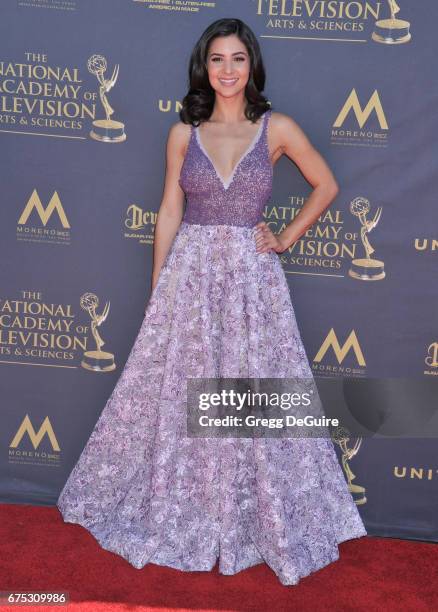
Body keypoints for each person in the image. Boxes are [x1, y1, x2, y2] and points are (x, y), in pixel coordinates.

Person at [57, 17, 367, 587]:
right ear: (205, 67)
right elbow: (169, 210)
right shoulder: (183, 133)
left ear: (253, 66)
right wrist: (159, 288)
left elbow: (325, 184)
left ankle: (256, 517)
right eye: (218, 59)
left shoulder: (278, 128)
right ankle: (193, 509)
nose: (228, 70)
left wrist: (285, 235)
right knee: (182, 391)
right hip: (191, 278)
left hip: (252, 282)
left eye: (238, 59)